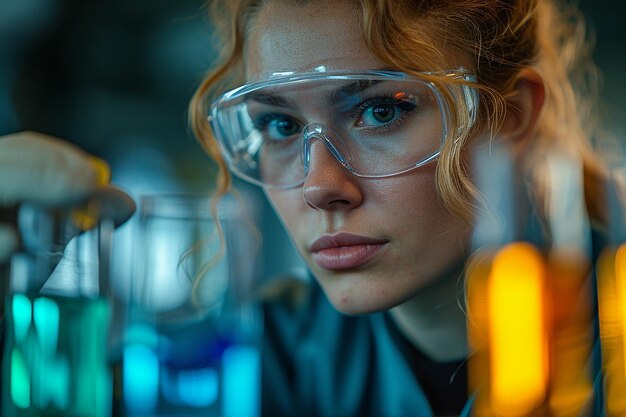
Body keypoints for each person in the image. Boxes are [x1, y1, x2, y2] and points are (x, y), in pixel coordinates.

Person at [0, 0, 615, 416]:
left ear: (507, 120)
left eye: (381, 109)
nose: (319, 185)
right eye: (279, 124)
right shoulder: (274, 355)